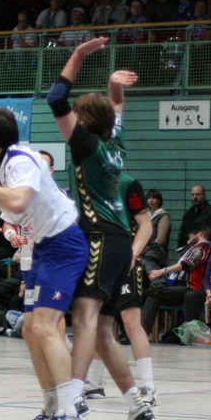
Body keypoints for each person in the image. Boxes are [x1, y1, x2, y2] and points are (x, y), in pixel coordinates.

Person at [0, 106, 89, 420]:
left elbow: (16, 203)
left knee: (45, 327)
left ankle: (72, 412)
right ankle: (51, 410)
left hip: (64, 244)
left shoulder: (21, 160)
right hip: (41, 248)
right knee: (30, 330)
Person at [47, 37, 157, 420]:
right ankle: (138, 406)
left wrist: (78, 55)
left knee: (83, 318)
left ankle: (72, 406)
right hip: (118, 241)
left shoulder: (87, 146)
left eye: (76, 115)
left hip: (98, 238)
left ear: (83, 121)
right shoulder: (115, 143)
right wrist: (114, 84)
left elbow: (56, 97)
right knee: (103, 332)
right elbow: (117, 106)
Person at [85, 173, 158, 407]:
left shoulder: (127, 184)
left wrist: (132, 255)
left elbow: (146, 225)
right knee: (96, 322)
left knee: (130, 320)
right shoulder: (85, 179)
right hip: (97, 260)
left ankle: (148, 387)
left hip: (125, 259)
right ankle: (94, 382)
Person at [142, 189, 170, 274]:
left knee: (144, 264)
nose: (151, 200)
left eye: (154, 198)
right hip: (145, 249)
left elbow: (161, 239)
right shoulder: (146, 215)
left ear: (159, 200)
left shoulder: (163, 216)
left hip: (156, 250)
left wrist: (148, 248)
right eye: (149, 198)